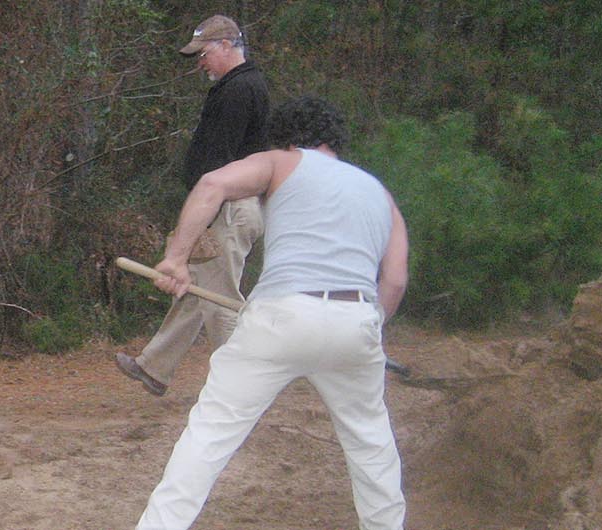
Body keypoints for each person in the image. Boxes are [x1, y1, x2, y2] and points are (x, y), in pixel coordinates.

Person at [134, 96, 409, 529]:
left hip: (282, 314)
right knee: (372, 448)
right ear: (334, 140)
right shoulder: (379, 193)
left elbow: (211, 185)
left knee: (211, 434)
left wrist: (177, 258)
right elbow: (393, 280)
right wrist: (370, 328)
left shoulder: (282, 162)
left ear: (286, 137)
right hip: (356, 320)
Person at [116, 15, 269, 396]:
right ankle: (154, 366)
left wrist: (202, 213)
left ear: (226, 45)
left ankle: (240, 388)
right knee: (198, 288)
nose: (200, 62)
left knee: (220, 302)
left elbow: (219, 161)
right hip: (225, 204)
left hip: (227, 206)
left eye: (203, 53)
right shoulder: (238, 86)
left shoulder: (239, 90)